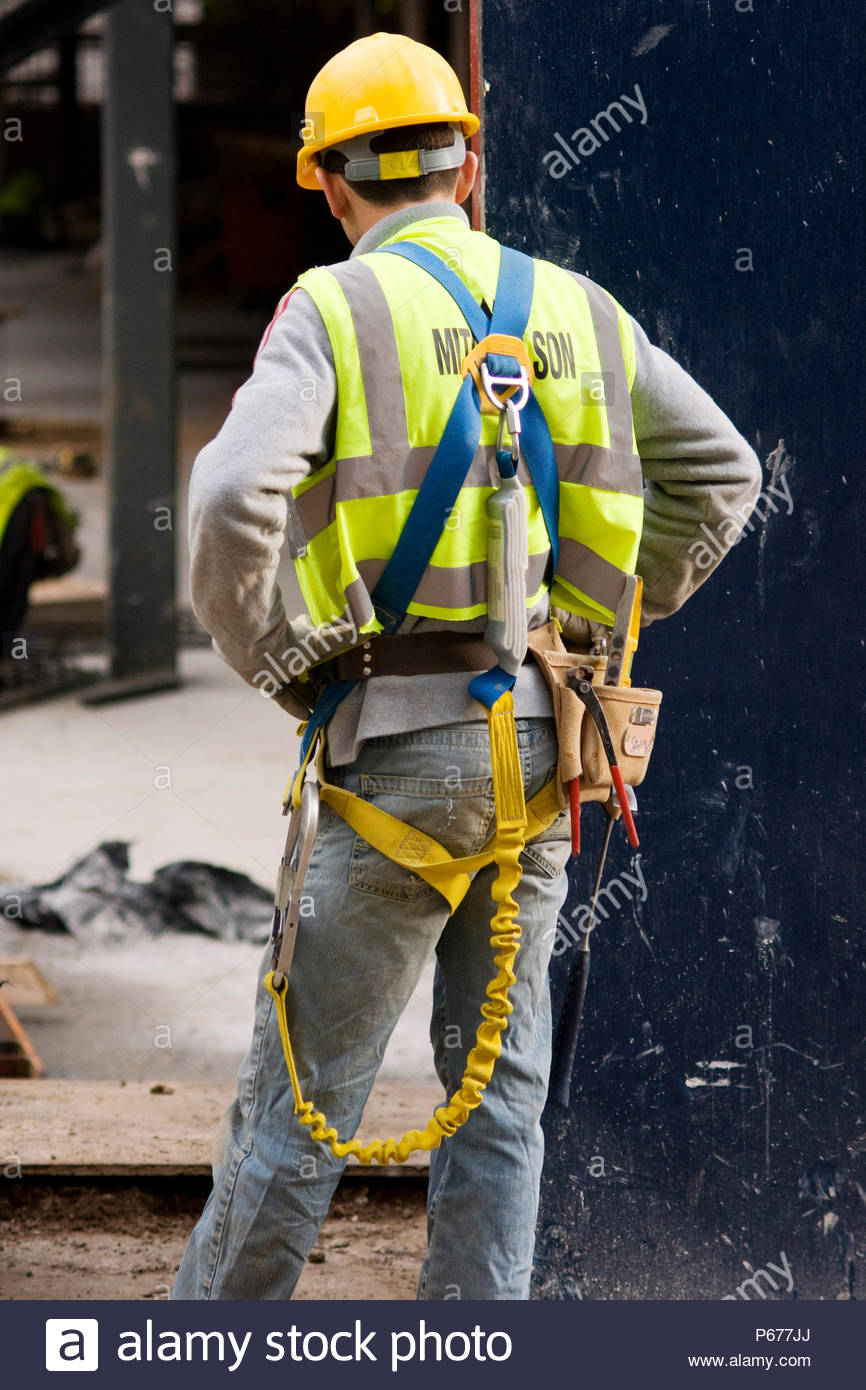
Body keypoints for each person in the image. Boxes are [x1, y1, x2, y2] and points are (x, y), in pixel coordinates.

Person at [172, 32, 761, 1301]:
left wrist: (276, 655)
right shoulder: (579, 310)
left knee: (295, 1110)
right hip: (544, 752)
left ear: (329, 184)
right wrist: (603, 617)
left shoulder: (333, 306)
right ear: (468, 165)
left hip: (393, 753)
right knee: (498, 1104)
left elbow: (226, 499)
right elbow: (725, 471)